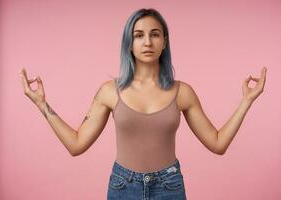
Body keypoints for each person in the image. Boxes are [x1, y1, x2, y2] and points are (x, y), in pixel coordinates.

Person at [19, 8, 267, 200]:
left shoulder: (183, 92)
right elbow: (76, 145)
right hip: (123, 186)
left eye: (154, 34)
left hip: (169, 187)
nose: (147, 42)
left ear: (165, 41)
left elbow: (218, 143)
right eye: (139, 35)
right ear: (129, 43)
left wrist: (246, 101)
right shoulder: (109, 92)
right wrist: (43, 104)